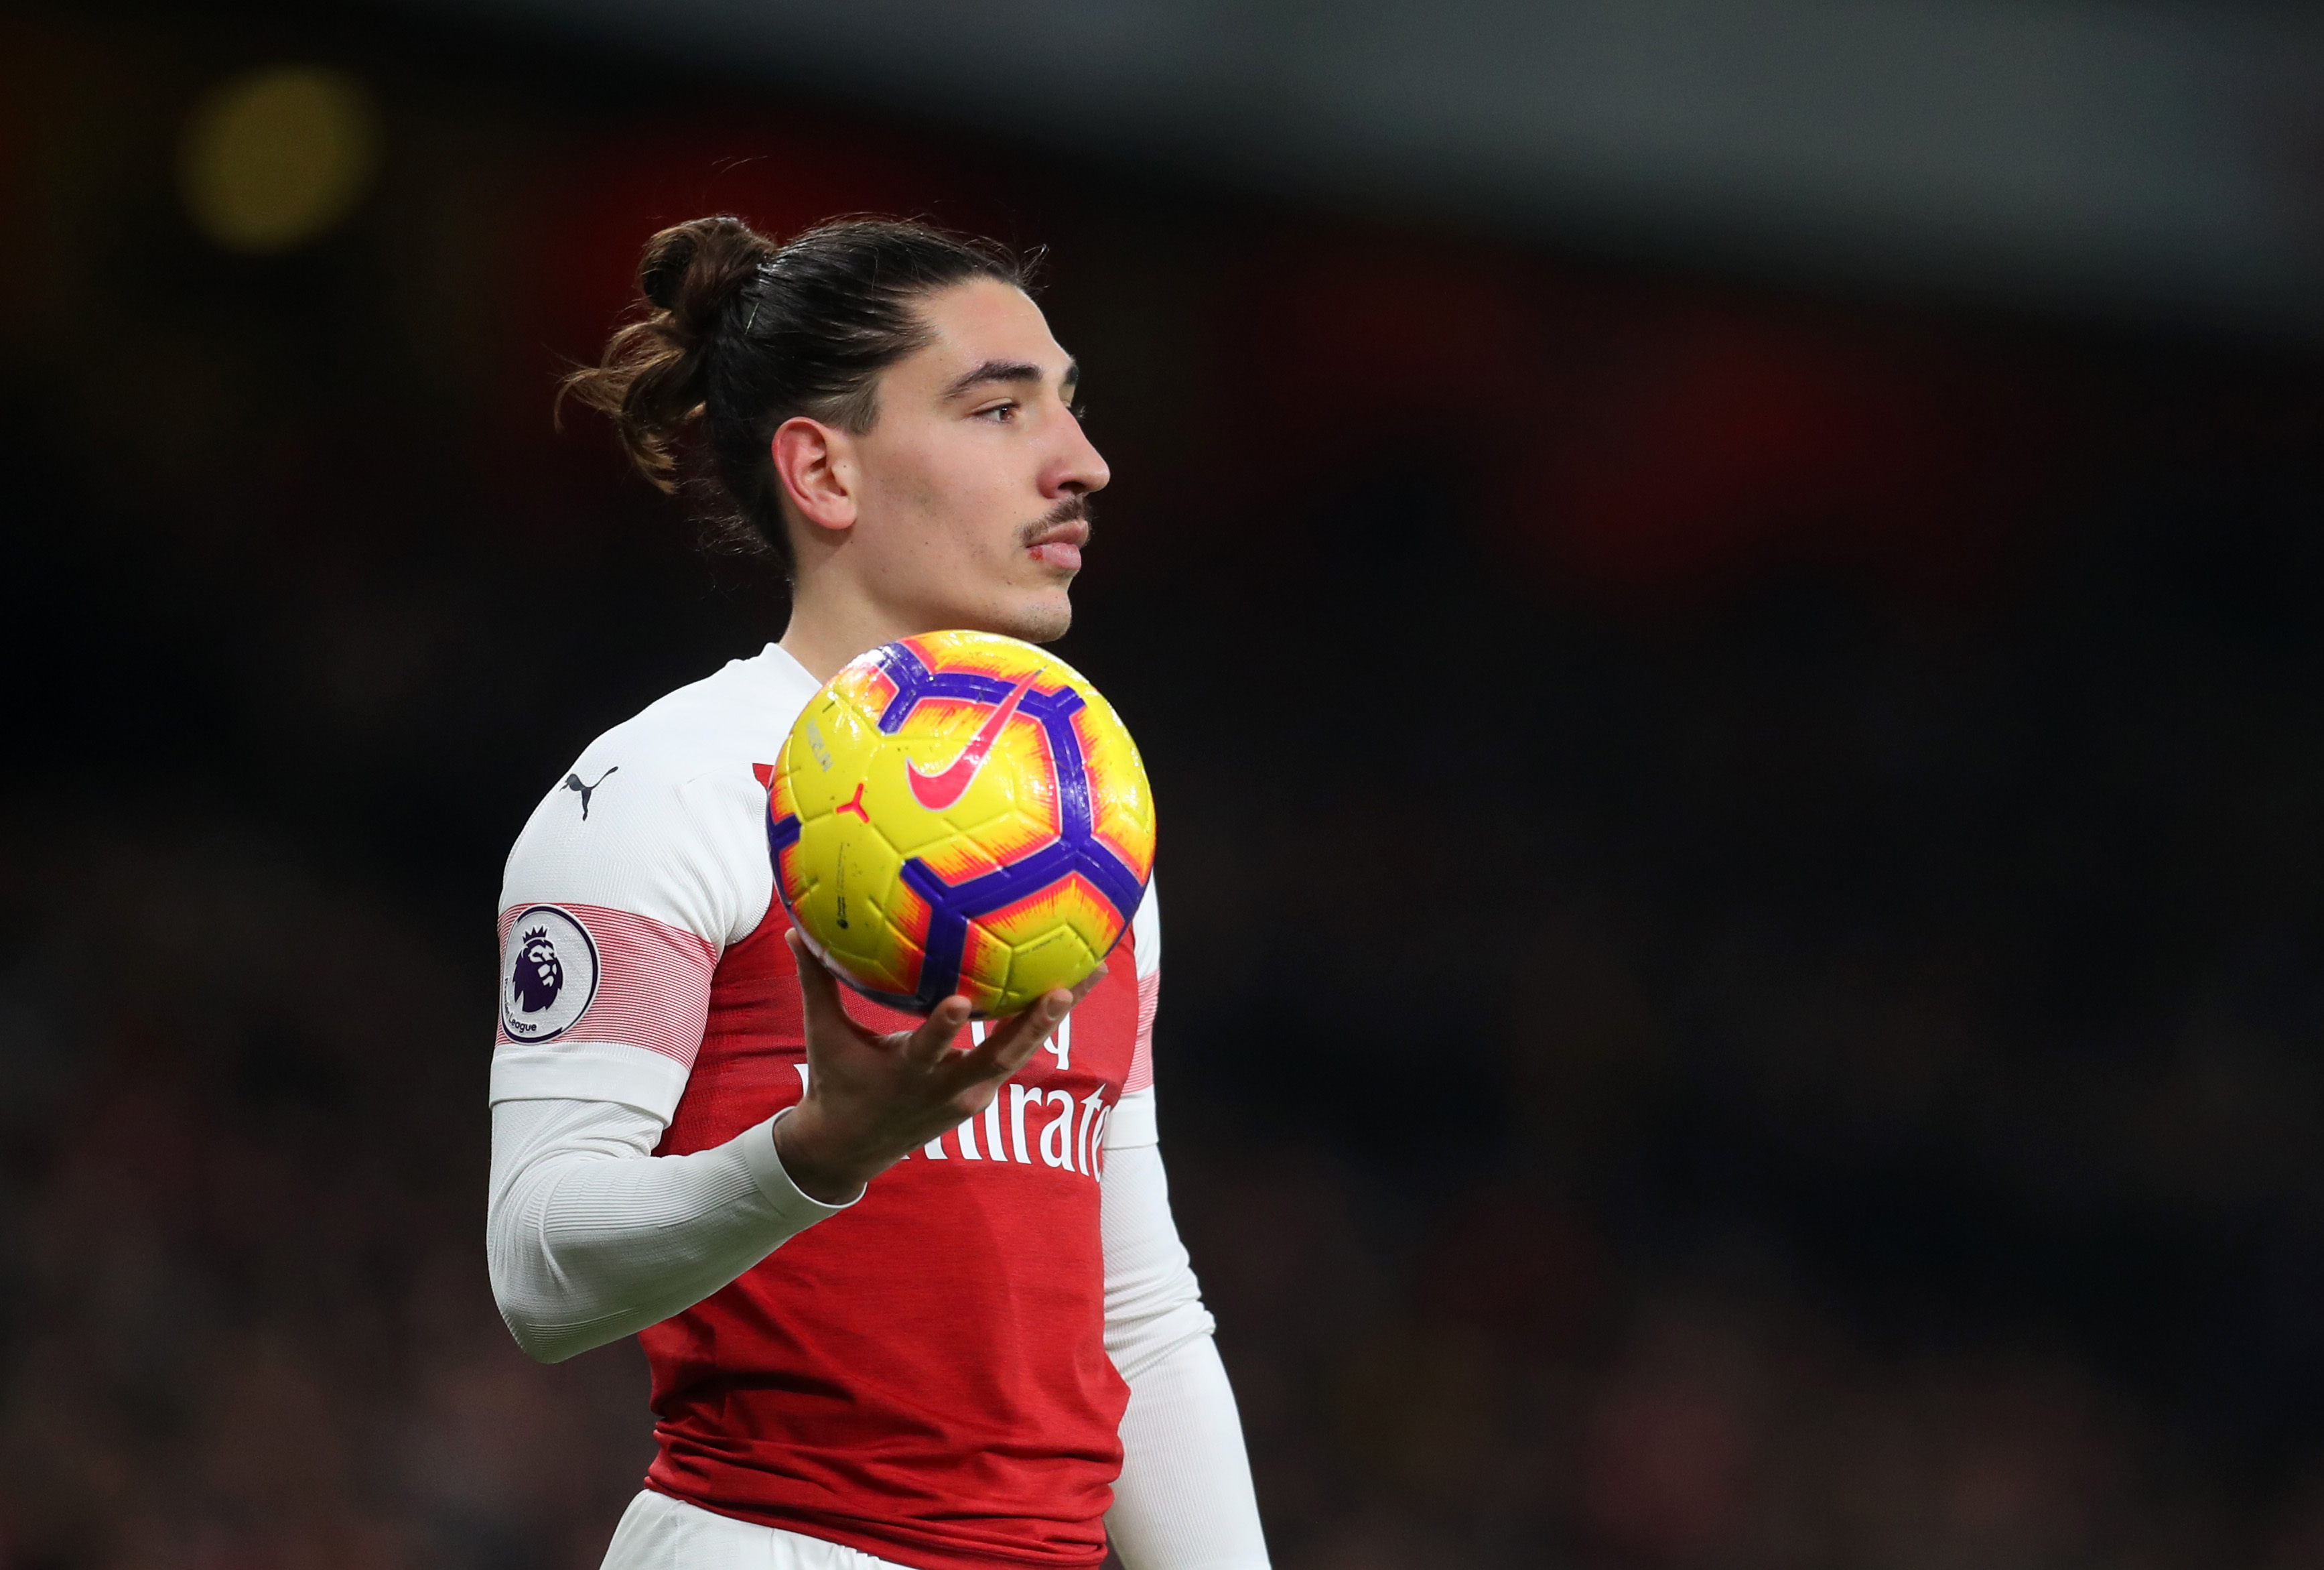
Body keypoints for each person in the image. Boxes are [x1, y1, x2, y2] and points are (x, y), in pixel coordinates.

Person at [485, 215, 1269, 1570]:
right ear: (822, 469)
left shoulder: (1081, 825)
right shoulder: (666, 789)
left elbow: (1133, 1310)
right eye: (997, 408)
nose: (1080, 462)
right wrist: (815, 1152)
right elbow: (539, 1272)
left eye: (1069, 407)